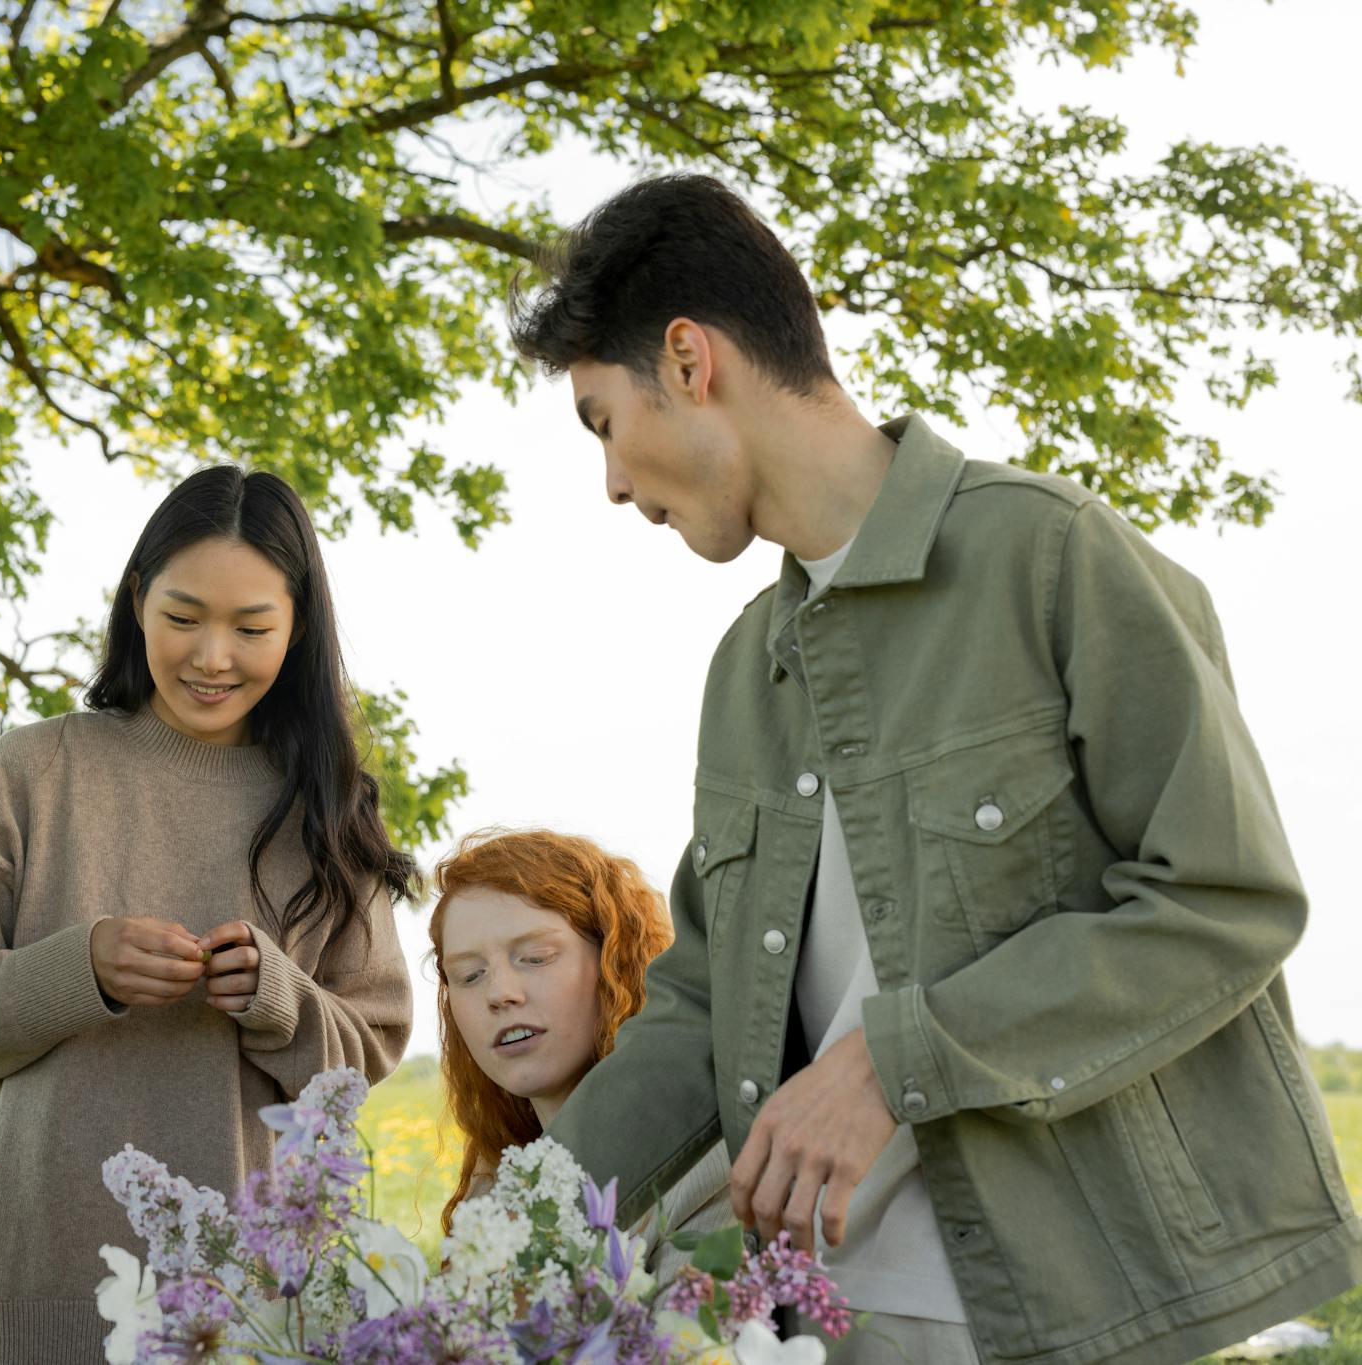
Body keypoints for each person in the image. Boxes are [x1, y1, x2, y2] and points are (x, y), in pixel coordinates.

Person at [515, 174, 1362, 1365]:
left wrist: (891, 1059)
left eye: (603, 421)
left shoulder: (1054, 558)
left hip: (1061, 1312)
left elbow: (1224, 902)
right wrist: (507, 1234)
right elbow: (699, 1009)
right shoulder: (741, 667)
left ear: (689, 358)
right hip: (801, 1320)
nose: (609, 481)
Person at [0, 464, 415, 1363]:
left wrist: (278, 996)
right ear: (137, 601)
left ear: (298, 628)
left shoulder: (329, 811)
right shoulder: (36, 768)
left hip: (245, 1308)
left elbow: (362, 1061)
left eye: (252, 627)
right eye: (183, 617)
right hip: (26, 1294)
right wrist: (79, 969)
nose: (212, 656)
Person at [430, 828, 732, 1287]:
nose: (500, 993)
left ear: (615, 962)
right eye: (470, 975)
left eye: (535, 957)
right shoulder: (492, 1186)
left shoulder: (702, 1172)